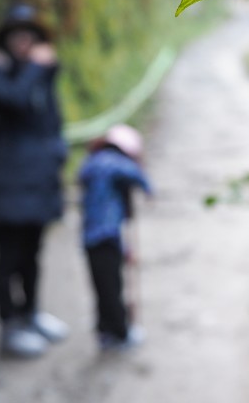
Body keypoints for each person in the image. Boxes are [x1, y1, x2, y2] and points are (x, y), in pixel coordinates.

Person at [0, 2, 69, 358]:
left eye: (29, 34)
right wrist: (35, 67)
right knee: (8, 256)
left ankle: (31, 315)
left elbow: (51, 121)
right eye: (16, 34)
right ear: (5, 38)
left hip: (40, 180)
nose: (23, 41)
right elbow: (11, 101)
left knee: (33, 253)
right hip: (7, 181)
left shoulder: (41, 74)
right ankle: (9, 327)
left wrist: (58, 154)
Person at [78, 124, 153, 352]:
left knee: (102, 286)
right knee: (112, 287)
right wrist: (147, 187)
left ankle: (105, 331)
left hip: (93, 237)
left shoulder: (92, 163)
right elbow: (133, 174)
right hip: (105, 237)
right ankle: (121, 332)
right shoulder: (110, 163)